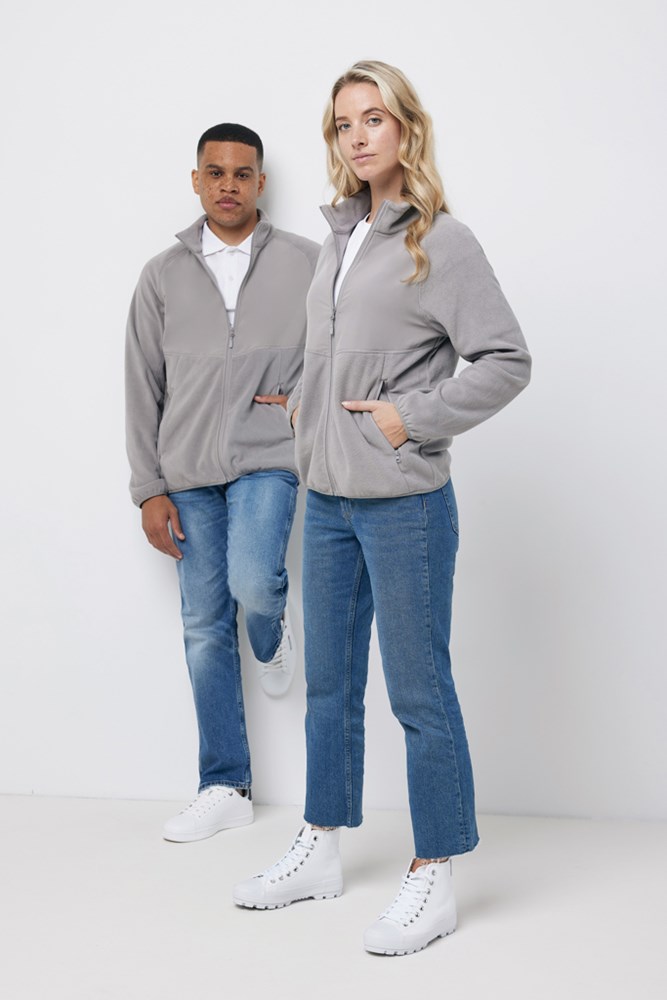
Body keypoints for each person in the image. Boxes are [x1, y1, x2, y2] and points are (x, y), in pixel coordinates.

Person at [232, 63, 531, 954]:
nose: (356, 137)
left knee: (417, 691)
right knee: (329, 687)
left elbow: (505, 359)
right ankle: (320, 845)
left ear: (405, 129)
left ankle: (433, 871)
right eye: (342, 124)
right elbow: (348, 350)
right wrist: (309, 404)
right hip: (327, 501)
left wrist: (411, 419)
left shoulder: (442, 242)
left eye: (372, 119)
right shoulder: (340, 238)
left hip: (404, 505)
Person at [125, 123, 320, 843]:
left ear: (260, 182)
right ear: (196, 180)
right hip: (186, 472)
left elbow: (336, 351)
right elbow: (141, 384)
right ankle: (225, 784)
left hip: (269, 456)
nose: (228, 185)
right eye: (215, 172)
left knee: (254, 582)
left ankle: (272, 632)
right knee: (203, 627)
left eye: (242, 173)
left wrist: (300, 404)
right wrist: (148, 486)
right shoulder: (162, 275)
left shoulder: (306, 261)